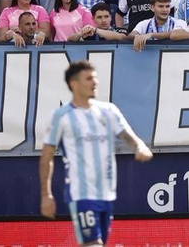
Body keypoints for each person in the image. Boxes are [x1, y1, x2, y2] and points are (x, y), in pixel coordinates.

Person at [39, 59, 153, 247]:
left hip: (107, 193)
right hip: (81, 193)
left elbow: (128, 136)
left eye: (95, 78)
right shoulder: (61, 116)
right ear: (74, 84)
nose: (95, 82)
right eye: (89, 78)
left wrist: (139, 147)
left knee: (97, 243)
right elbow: (47, 157)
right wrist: (46, 194)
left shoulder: (108, 110)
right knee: (94, 244)